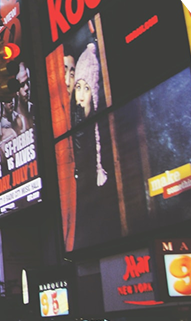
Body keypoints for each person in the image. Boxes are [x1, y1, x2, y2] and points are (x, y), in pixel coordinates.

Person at [71, 43, 119, 249]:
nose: (81, 95)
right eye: (78, 87)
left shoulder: (105, 129)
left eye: (87, 88)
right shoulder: (74, 125)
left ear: (95, 93)